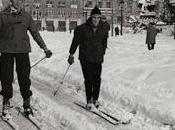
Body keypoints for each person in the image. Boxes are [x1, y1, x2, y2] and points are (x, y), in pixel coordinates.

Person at [0, 0, 52, 119]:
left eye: (20, 0)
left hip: (23, 51)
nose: (18, 2)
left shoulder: (26, 16)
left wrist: (44, 47)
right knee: (6, 78)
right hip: (6, 51)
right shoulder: (3, 15)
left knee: (24, 78)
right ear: (11, 1)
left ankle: (26, 102)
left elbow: (35, 33)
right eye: (15, 0)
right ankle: (6, 103)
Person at [68, 6, 109, 110]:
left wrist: (102, 52)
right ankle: (89, 100)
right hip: (85, 58)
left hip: (98, 58)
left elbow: (104, 42)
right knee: (89, 79)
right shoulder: (82, 29)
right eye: (94, 17)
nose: (96, 20)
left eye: (98, 17)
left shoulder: (103, 28)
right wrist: (71, 54)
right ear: (91, 17)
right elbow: (75, 42)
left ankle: (95, 99)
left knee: (97, 79)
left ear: (100, 18)